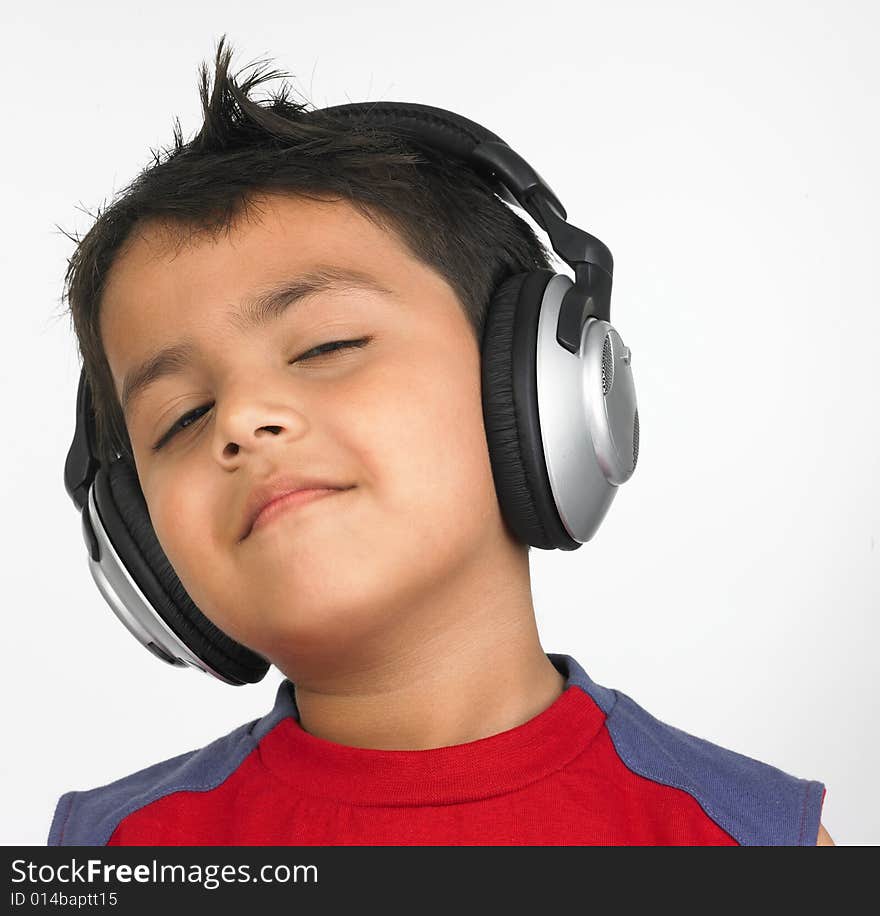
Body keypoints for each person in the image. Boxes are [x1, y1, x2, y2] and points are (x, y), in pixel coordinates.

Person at [47, 37, 833, 846]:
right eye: (182, 417)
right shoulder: (110, 849)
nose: (242, 420)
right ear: (135, 537)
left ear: (536, 390)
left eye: (327, 347)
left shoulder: (753, 836)